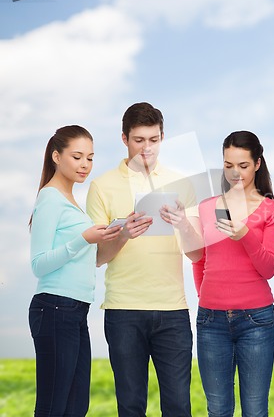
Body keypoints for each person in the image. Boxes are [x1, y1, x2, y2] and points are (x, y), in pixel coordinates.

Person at [161, 130, 274, 416]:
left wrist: (245, 234)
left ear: (257, 164)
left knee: (254, 409)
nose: (235, 173)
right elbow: (197, 258)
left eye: (242, 165)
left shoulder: (271, 210)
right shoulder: (207, 207)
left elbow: (269, 268)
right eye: (228, 165)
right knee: (217, 408)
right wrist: (182, 225)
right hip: (211, 320)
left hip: (256, 320)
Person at [85, 102, 196, 416]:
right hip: (123, 311)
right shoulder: (102, 186)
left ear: (163, 137)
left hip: (173, 310)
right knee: (131, 406)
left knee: (178, 406)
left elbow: (197, 252)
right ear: (124, 138)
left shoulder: (182, 183)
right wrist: (123, 234)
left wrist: (183, 224)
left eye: (154, 140)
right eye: (139, 140)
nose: (147, 148)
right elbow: (95, 258)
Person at [29, 125, 121, 416]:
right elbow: (39, 263)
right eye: (78, 157)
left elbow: (91, 259)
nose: (85, 165)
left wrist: (121, 233)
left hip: (75, 310)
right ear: (56, 156)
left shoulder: (72, 203)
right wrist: (84, 238)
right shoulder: (50, 198)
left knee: (76, 406)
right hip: (54, 308)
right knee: (53, 406)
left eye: (90, 158)